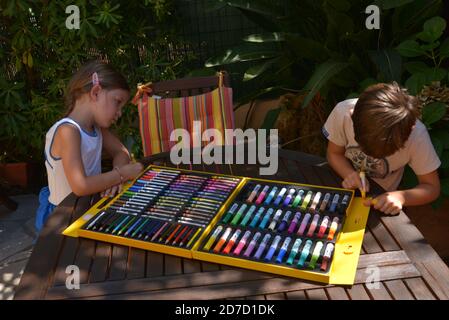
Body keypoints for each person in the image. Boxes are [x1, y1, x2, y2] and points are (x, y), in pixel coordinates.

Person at [36, 60, 144, 232]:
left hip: (87, 207)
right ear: (95, 93)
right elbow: (80, 186)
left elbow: (121, 152)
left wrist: (115, 179)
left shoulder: (96, 128)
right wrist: (121, 174)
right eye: (117, 102)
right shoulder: (68, 131)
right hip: (63, 216)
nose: (120, 112)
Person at [323, 82, 441, 215]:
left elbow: (432, 187)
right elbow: (334, 153)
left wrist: (401, 197)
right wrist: (348, 173)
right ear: (352, 115)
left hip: (384, 199)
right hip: (340, 184)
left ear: (409, 133)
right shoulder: (343, 112)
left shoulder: (417, 136)